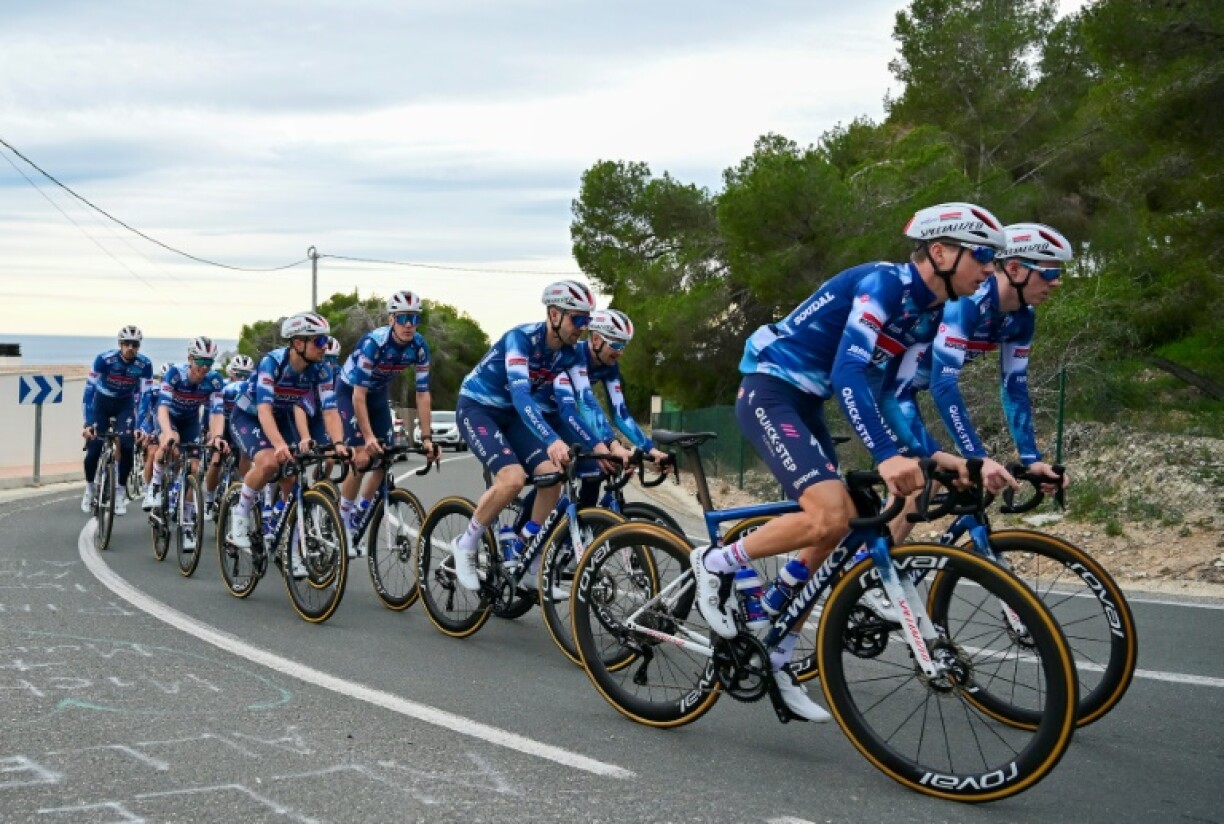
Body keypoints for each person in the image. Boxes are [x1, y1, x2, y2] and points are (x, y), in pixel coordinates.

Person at [692, 202, 1009, 723]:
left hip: (807, 403)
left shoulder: (927, 315)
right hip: (771, 389)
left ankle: (777, 650)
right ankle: (714, 562)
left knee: (843, 523)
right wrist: (886, 455)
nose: (989, 271)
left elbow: (895, 397)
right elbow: (848, 372)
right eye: (983, 257)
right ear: (940, 253)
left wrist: (939, 458)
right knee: (829, 514)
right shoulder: (882, 286)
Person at [451, 279, 596, 590]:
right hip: (478, 408)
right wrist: (552, 440)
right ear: (554, 315)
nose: (583, 328)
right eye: (577, 320)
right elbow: (521, 396)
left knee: (552, 476)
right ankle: (466, 544)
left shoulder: (571, 353)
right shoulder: (521, 339)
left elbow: (586, 401)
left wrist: (609, 446)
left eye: (587, 320)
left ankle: (528, 553)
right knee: (513, 479)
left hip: (512, 415)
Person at [225, 313, 351, 578]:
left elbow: (330, 411)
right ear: (298, 343)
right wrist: (280, 445)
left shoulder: (322, 369)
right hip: (249, 415)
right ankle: (240, 513)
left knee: (292, 479)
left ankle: (290, 551)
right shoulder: (272, 363)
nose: (325, 347)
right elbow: (263, 411)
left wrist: (339, 443)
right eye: (319, 341)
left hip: (281, 416)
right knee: (270, 462)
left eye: (326, 340)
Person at [335, 293, 439, 555]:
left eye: (414, 319)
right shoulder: (374, 343)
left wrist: (427, 438)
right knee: (362, 457)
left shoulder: (419, 346)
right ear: (392, 319)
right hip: (350, 392)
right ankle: (342, 521)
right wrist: (368, 437)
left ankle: (359, 513)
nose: (408, 325)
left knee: (385, 458)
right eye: (403, 318)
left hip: (378, 394)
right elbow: (358, 395)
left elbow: (423, 394)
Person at [144, 337, 228, 552]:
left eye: (209, 363)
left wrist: (217, 436)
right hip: (168, 417)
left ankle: (188, 524)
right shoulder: (175, 374)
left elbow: (217, 413)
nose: (205, 368)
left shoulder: (214, 380)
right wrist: (167, 433)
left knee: (194, 468)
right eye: (200, 362)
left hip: (190, 421)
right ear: (190, 359)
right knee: (169, 442)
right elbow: (162, 407)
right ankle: (155, 486)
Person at [81, 325, 153, 516]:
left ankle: (120, 491)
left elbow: (146, 396)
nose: (130, 348)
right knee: (94, 447)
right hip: (101, 404)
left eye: (135, 344)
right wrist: (87, 423)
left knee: (128, 446)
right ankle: (89, 488)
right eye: (127, 344)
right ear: (120, 344)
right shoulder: (104, 360)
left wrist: (140, 426)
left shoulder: (144, 364)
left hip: (125, 405)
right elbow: (89, 391)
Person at [202, 354, 255, 520]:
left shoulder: (251, 389)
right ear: (231, 373)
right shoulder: (223, 388)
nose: (242, 379)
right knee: (217, 458)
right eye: (239, 374)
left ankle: (247, 489)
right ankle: (209, 499)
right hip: (223, 423)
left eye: (246, 375)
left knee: (245, 457)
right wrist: (210, 432)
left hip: (241, 424)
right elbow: (212, 411)